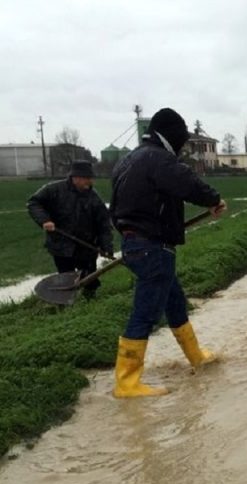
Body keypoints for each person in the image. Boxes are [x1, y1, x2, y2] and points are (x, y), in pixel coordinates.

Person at [110, 107, 227, 398]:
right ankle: (127, 382)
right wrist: (213, 199)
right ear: (171, 135)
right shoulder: (157, 158)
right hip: (152, 246)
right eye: (181, 139)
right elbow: (185, 181)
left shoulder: (129, 160)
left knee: (174, 303)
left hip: (136, 242)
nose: (182, 145)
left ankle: (196, 356)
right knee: (145, 312)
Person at [26, 160, 114, 300]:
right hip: (61, 244)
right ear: (76, 178)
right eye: (87, 178)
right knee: (65, 275)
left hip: (86, 246)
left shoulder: (93, 197)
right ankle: (66, 302)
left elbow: (103, 223)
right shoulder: (53, 189)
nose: (90, 182)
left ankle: (90, 300)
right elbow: (33, 203)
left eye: (90, 178)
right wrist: (45, 220)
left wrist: (106, 246)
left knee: (90, 277)